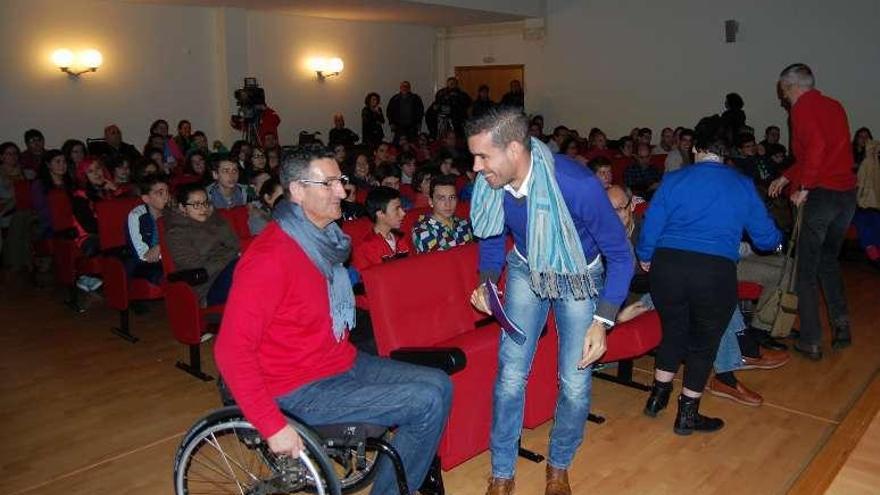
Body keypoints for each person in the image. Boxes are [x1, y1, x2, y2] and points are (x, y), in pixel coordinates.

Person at [214, 150, 451, 495]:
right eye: (328, 184)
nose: (342, 191)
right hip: (296, 387)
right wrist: (271, 425)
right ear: (297, 191)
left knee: (440, 384)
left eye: (340, 181)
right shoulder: (268, 259)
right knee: (425, 400)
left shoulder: (325, 243)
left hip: (339, 362)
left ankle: (398, 482)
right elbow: (231, 351)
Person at [467, 108, 633, 495]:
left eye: (482, 156)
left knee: (574, 383)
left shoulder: (576, 185)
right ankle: (503, 472)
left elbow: (621, 256)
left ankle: (558, 466)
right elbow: (492, 236)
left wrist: (603, 320)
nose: (475, 167)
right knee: (510, 377)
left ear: (513, 149)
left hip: (579, 275)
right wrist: (487, 282)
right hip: (526, 269)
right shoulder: (492, 181)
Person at [637, 123, 781, 435]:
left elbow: (652, 224)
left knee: (673, 330)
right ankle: (687, 415)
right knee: (703, 343)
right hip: (714, 271)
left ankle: (656, 398)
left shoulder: (674, 179)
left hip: (669, 266)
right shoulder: (742, 184)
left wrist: (646, 255)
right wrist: (778, 240)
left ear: (695, 148)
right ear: (725, 151)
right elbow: (766, 240)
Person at [768, 63, 858, 360]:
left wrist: (804, 185)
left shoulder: (802, 108)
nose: (782, 95)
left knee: (805, 270)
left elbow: (817, 148)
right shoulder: (834, 105)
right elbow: (822, 152)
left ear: (790, 86)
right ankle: (841, 326)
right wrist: (786, 176)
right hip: (845, 196)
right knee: (828, 261)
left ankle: (811, 339)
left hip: (820, 196)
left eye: (783, 88)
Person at [165, 183, 241, 306]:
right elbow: (197, 267)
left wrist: (216, 222)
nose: (203, 208)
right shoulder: (176, 233)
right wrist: (230, 256)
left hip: (229, 273)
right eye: (196, 205)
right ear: (182, 207)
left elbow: (236, 245)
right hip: (207, 287)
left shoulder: (216, 221)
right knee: (242, 265)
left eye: (205, 203)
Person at [351, 186, 410, 272]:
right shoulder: (364, 248)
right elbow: (367, 281)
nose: (403, 213)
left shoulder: (402, 238)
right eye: (396, 209)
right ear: (380, 213)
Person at [411, 174, 474, 253]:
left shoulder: (464, 223)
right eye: (441, 198)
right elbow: (437, 261)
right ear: (431, 201)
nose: (448, 204)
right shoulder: (421, 229)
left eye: (452, 197)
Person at [125, 176, 169, 285]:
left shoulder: (172, 212)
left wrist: (161, 247)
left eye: (167, 192)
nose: (166, 197)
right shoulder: (136, 216)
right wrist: (166, 251)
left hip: (167, 259)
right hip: (143, 265)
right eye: (160, 193)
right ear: (146, 198)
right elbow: (144, 256)